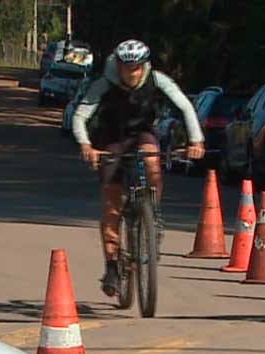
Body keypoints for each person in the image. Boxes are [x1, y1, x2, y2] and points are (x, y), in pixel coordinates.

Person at [72, 39, 204, 297]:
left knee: (152, 159)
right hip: (111, 138)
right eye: (126, 67)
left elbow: (185, 106)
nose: (131, 73)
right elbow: (80, 116)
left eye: (136, 67)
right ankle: (111, 266)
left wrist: (196, 140)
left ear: (144, 65)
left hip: (143, 134)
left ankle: (151, 211)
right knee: (111, 207)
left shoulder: (157, 80)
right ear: (118, 66)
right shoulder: (104, 84)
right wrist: (86, 144)